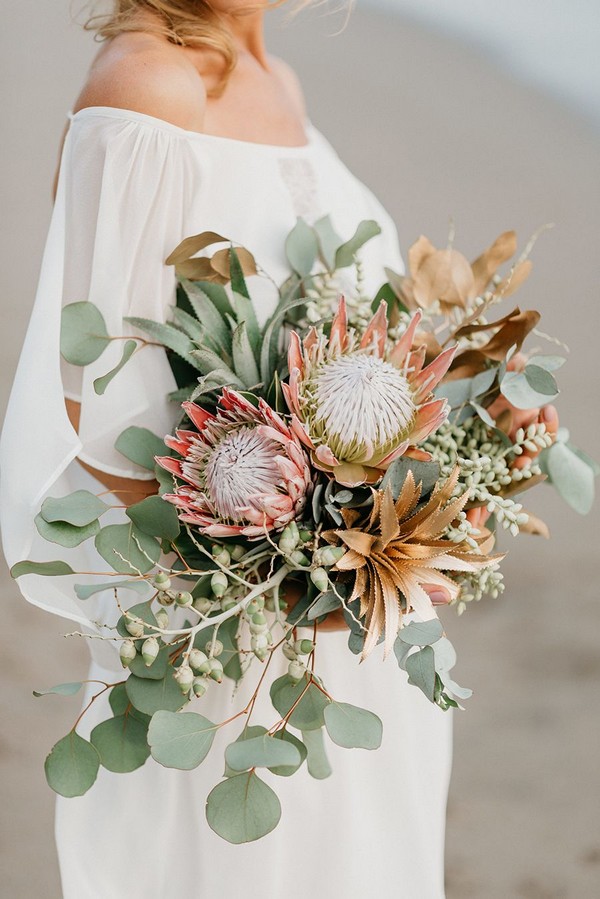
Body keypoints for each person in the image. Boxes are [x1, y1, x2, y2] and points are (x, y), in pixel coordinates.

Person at [0, 1, 558, 895]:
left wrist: (477, 429)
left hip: (364, 641)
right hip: (234, 666)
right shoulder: (150, 86)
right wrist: (289, 581)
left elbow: (352, 354)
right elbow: (99, 424)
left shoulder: (278, 79)